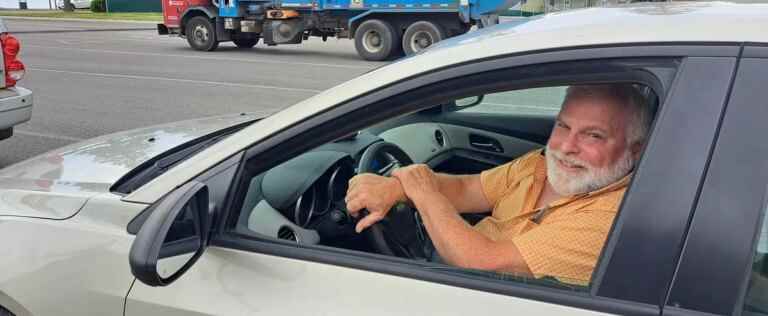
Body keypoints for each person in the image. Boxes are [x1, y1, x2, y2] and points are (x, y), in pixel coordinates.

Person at [345, 84, 651, 285]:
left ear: (635, 149)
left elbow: (483, 263)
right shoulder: (539, 165)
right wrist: (399, 188)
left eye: (593, 135)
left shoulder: (611, 219)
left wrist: (421, 191)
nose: (566, 146)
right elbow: (468, 189)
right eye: (563, 126)